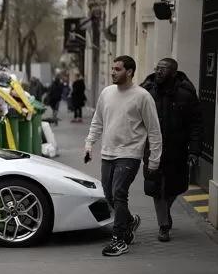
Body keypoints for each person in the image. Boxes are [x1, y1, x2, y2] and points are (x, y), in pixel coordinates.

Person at [84, 55, 162, 257]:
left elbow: (154, 130)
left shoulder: (142, 96)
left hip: (130, 153)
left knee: (119, 193)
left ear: (129, 72)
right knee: (109, 195)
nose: (112, 72)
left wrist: (154, 159)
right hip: (108, 152)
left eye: (117, 69)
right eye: (112, 68)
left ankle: (119, 239)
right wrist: (89, 143)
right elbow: (97, 120)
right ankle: (129, 221)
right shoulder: (107, 93)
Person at [140, 58, 202, 242]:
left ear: (174, 72)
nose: (159, 72)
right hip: (152, 149)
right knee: (156, 188)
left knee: (175, 187)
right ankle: (163, 226)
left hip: (177, 149)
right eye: (157, 68)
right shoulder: (146, 91)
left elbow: (196, 124)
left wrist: (194, 150)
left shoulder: (187, 93)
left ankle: (164, 212)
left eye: (163, 69)